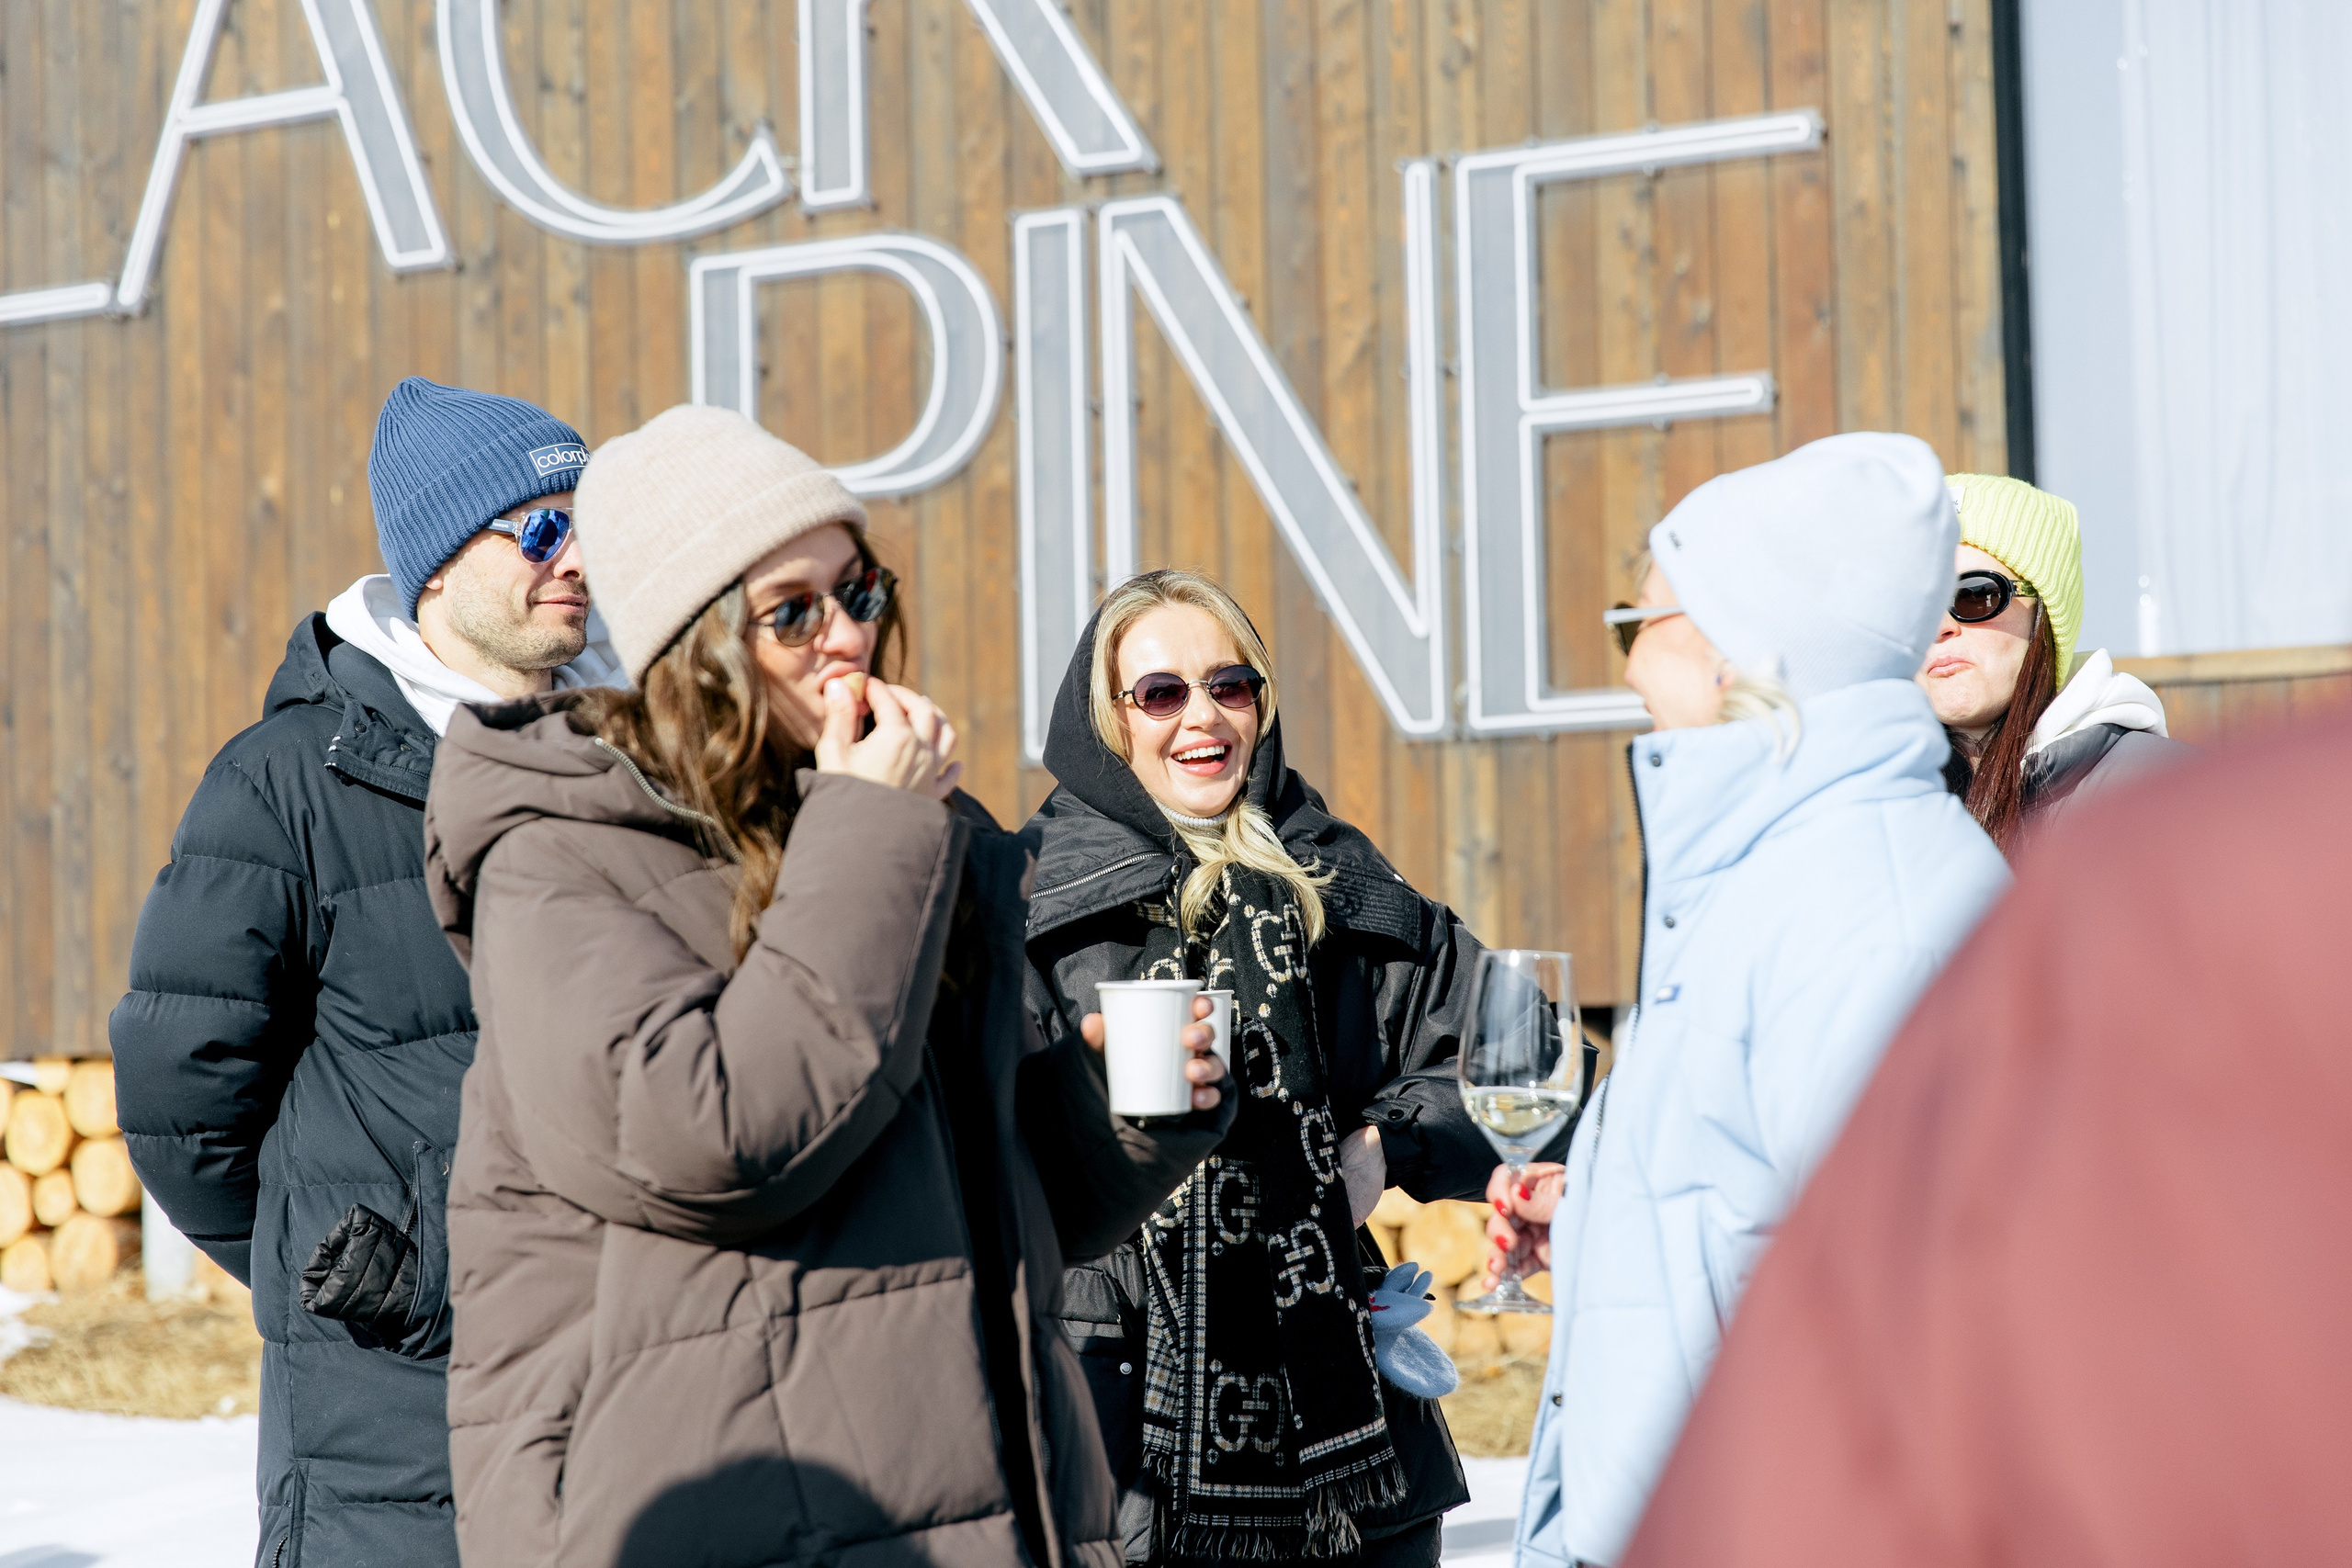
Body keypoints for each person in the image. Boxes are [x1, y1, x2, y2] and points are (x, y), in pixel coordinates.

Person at [423, 405, 1234, 1568]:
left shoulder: (884, 833)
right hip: (691, 1502)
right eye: (789, 613)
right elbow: (716, 1138)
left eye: (858, 594)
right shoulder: (560, 852)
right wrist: (876, 832)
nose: (843, 638)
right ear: (688, 644)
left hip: (955, 1486)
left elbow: (958, 1203)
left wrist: (1114, 1113)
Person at [1618, 710, 2352, 1568]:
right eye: (1937, 601)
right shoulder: (1908, 804)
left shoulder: (2151, 806)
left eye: (1981, 598)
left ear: (2041, 612)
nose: (1949, 628)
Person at [108, 377, 617, 1564]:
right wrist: (359, 1266)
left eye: (588, 521)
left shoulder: (626, 761)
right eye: (543, 527)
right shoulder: (287, 783)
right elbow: (183, 1096)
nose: (578, 557)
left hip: (618, 1393)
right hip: (392, 1424)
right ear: (440, 562)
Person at [1485, 434, 2011, 1568]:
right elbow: (1752, 1221)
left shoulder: (1877, 919)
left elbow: (1934, 1366)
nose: (1624, 665)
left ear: (1737, 647)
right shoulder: (1765, 885)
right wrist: (1594, 1226)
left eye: (1640, 623)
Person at [1023, 569, 1495, 1567]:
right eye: (1160, 693)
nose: (1201, 717)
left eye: (1228, 686)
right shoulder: (1026, 906)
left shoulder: (1342, 884)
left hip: (1350, 1475)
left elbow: (1522, 1061)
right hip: (1108, 1439)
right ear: (1106, 721)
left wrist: (1388, 1142)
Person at [1919, 473, 2182, 851]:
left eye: (1976, 594)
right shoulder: (1868, 803)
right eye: (1916, 605)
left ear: (2045, 616)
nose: (1939, 627)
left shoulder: (2161, 790)